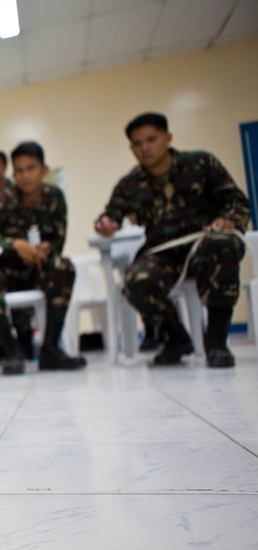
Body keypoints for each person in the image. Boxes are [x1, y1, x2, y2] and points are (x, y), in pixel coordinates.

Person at [94, 112, 249, 367]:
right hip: (162, 252)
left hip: (203, 242)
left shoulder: (201, 163)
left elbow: (236, 201)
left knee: (222, 244)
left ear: (168, 138)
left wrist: (228, 220)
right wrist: (105, 225)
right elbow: (110, 215)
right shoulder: (130, 184)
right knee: (137, 280)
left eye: (151, 139)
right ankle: (176, 337)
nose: (145, 148)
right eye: (137, 143)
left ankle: (217, 342)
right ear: (131, 148)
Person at [0, 141, 87, 375]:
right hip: (5, 273)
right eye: (19, 170)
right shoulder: (3, 200)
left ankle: (50, 348)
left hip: (36, 270)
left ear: (44, 169)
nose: (25, 176)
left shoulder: (54, 198)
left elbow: (58, 239)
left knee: (63, 267)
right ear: (13, 174)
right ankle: (12, 351)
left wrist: (45, 249)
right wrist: (13, 244)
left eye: (31, 168)